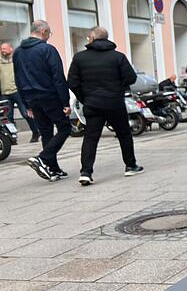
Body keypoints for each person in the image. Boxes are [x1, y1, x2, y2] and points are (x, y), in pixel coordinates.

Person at [66, 26, 143, 186]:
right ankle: (130, 165)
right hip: (114, 103)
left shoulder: (80, 58)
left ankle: (86, 172)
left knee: (90, 137)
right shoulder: (118, 57)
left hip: (92, 104)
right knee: (123, 134)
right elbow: (131, 78)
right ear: (106, 38)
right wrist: (119, 87)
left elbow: (72, 82)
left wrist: (84, 97)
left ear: (92, 38)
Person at [14, 20, 71, 181]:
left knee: (46, 131)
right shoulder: (47, 49)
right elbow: (58, 77)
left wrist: (26, 104)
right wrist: (65, 102)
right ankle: (43, 158)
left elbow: (18, 79)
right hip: (49, 96)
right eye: (49, 33)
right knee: (65, 128)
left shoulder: (18, 52)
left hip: (31, 98)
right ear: (43, 31)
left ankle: (52, 168)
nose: (48, 36)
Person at [0, 43, 39, 143]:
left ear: (11, 49)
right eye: (1, 49)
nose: (2, 50)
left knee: (26, 113)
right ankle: (12, 138)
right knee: (8, 117)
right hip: (4, 93)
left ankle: (35, 132)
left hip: (18, 91)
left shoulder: (16, 60)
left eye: (4, 48)